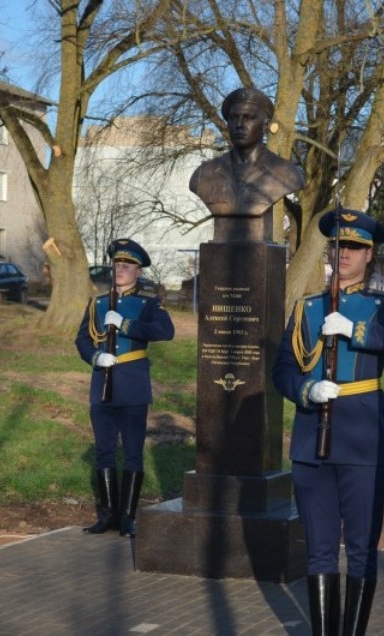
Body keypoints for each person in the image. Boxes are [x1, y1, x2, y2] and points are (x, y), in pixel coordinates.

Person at [272, 210, 384, 635]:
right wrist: (305, 391)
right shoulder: (307, 308)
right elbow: (282, 367)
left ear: (370, 254)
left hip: (362, 438)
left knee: (361, 550)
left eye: (354, 247)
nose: (344, 253)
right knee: (318, 550)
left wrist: (358, 330)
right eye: (338, 246)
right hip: (311, 437)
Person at [74, 239, 174, 538]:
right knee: (104, 450)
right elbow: (81, 339)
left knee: (132, 452)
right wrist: (94, 356)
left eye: (127, 266)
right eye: (117, 265)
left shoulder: (147, 303)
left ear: (138, 273)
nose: (120, 270)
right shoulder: (98, 303)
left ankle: (128, 517)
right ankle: (107, 515)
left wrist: (127, 325)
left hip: (132, 382)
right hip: (102, 381)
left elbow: (165, 332)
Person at [189, 87, 304, 242]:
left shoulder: (286, 174)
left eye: (249, 118)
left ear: (265, 125)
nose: (239, 124)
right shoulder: (204, 174)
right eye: (234, 117)